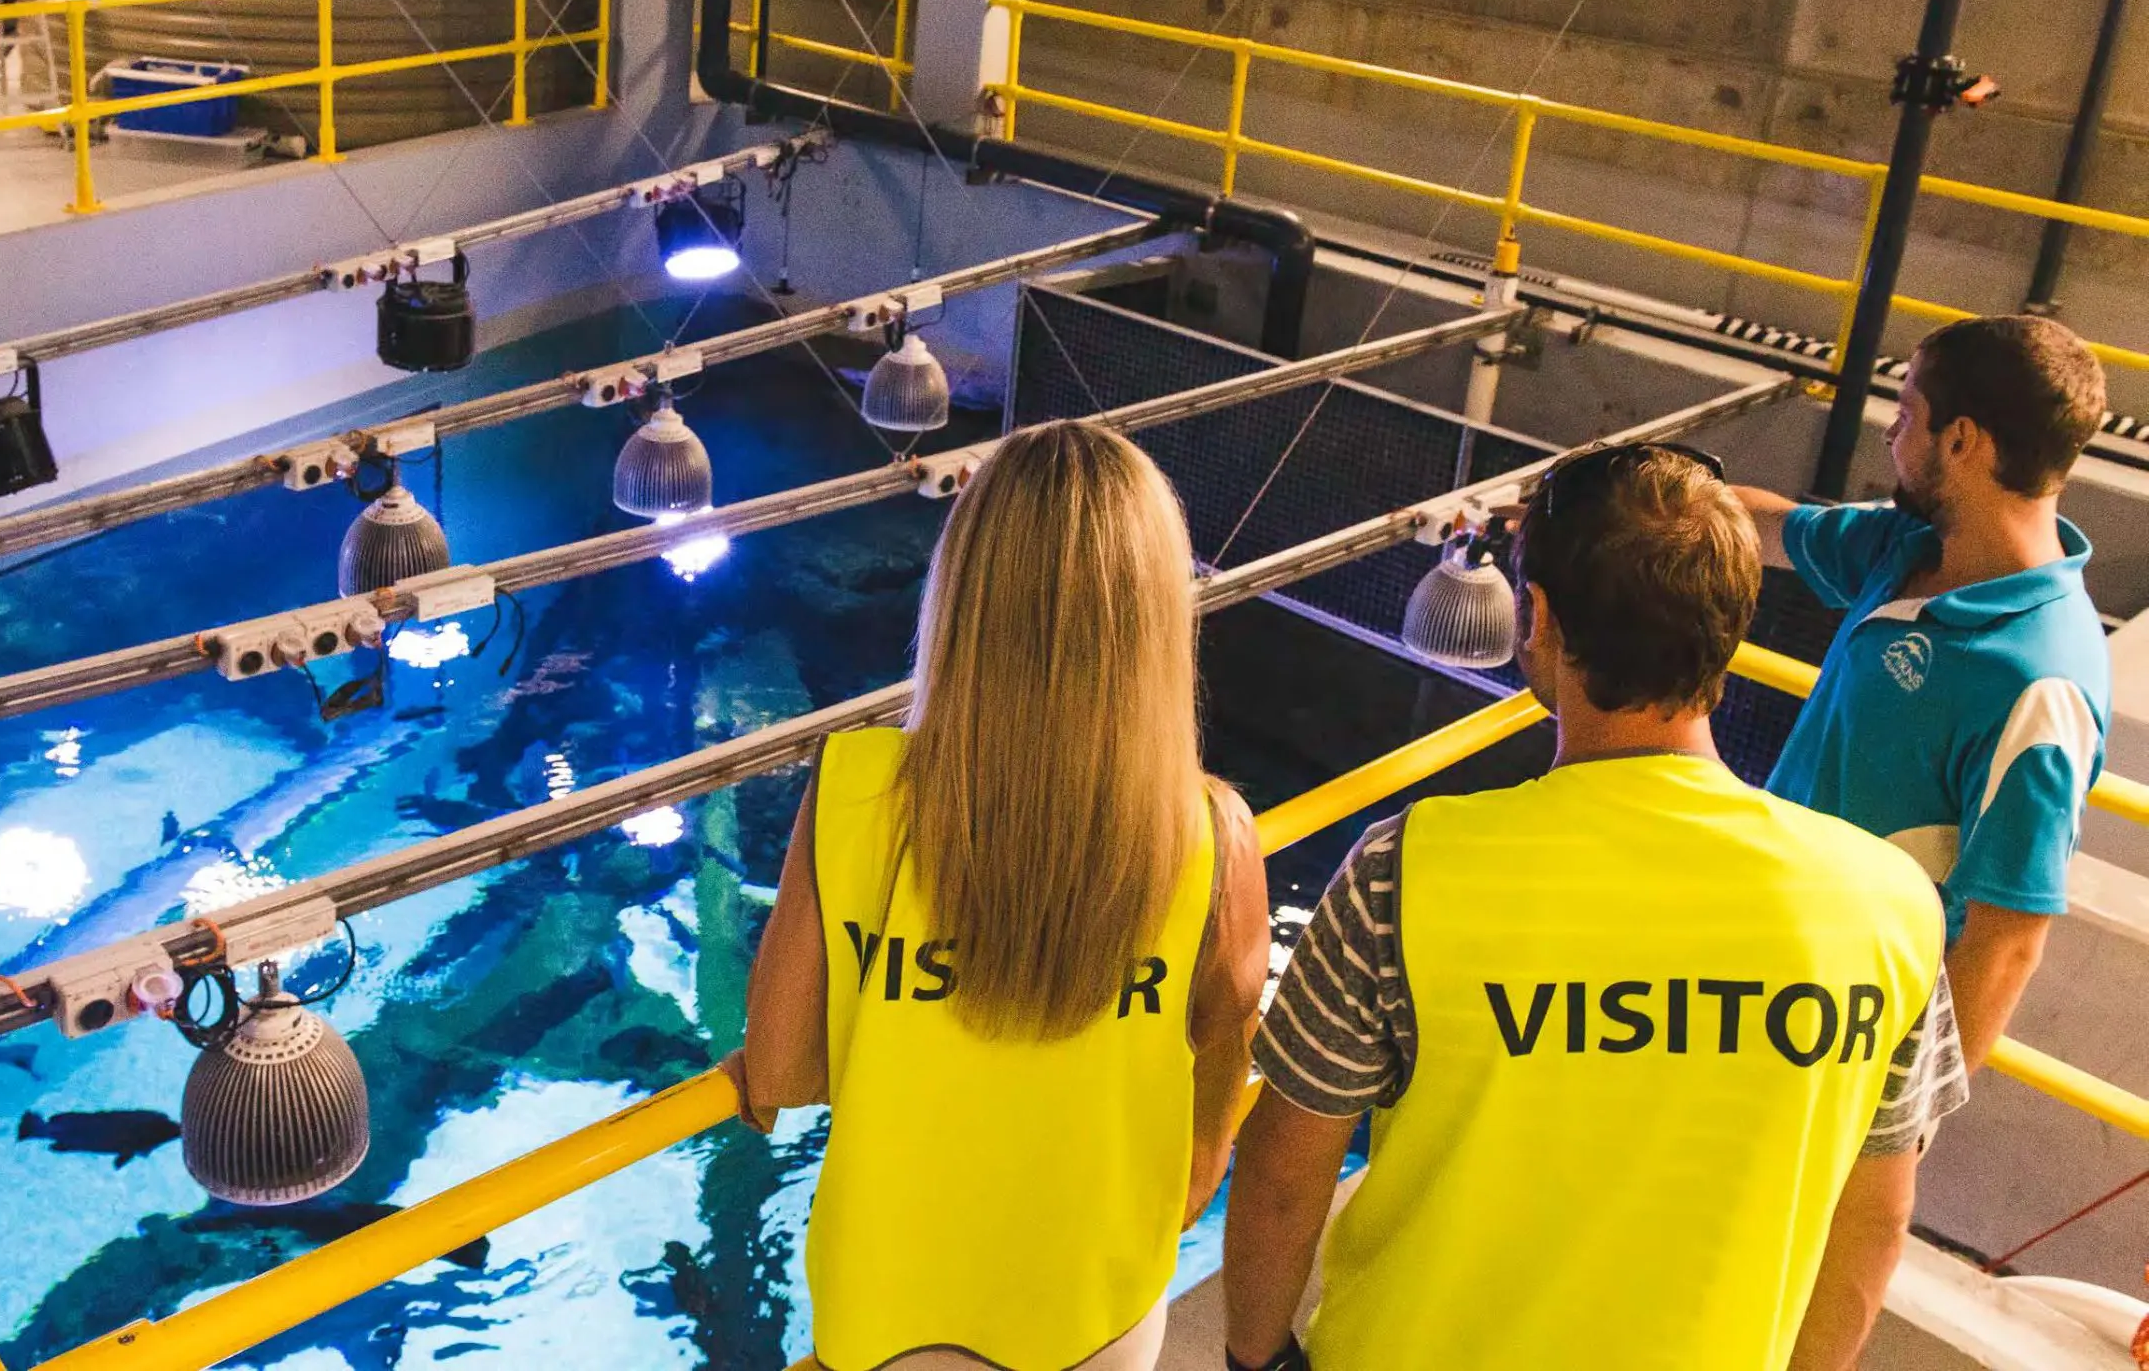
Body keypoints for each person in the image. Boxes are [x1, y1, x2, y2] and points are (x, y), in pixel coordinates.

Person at [1224, 445, 1967, 1371]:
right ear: (1729, 626)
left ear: (1536, 617)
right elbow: (1873, 1219)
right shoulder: (1891, 907)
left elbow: (1284, 1173)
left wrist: (1255, 1358)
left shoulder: (1406, 872)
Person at [729, 420, 1267, 1371]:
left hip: (889, 1306)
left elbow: (778, 1078)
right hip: (1095, 1310)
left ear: (962, 597)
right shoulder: (1214, 834)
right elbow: (1221, 1072)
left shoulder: (856, 790)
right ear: (1153, 620)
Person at [1733, 314, 2109, 1072]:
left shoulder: (2039, 679)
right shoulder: (1906, 545)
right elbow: (1763, 524)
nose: (1890, 436)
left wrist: (1905, 1128)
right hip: (1760, 958)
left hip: (1835, 1033)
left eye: (1905, 416)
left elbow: (2006, 941)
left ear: (1961, 441)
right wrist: (1606, 496)